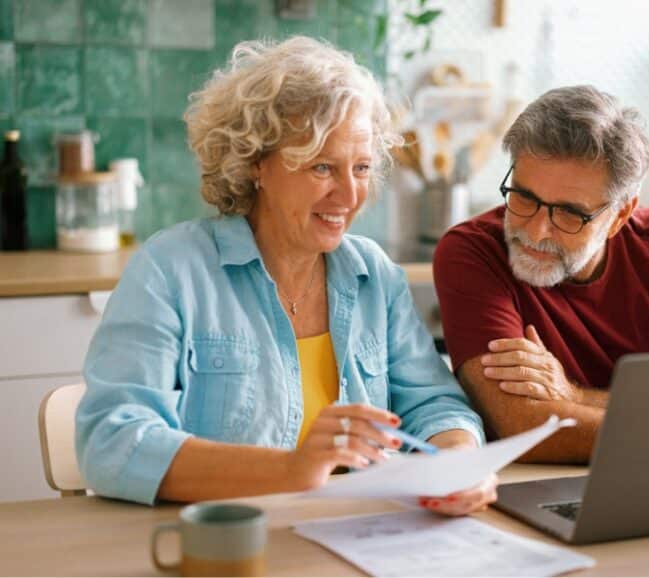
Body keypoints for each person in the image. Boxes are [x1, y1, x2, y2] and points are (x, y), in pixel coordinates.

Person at [76, 36, 496, 514]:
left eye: (360, 167)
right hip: (224, 544)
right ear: (256, 162)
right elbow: (111, 440)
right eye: (322, 167)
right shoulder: (172, 270)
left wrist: (461, 461)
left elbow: (433, 406)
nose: (349, 194)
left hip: (356, 536)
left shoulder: (373, 276)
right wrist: (293, 470)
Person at [433, 85, 649, 464]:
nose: (535, 231)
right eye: (524, 197)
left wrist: (575, 396)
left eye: (569, 213)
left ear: (619, 216)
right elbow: (522, 424)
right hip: (546, 486)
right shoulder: (472, 252)